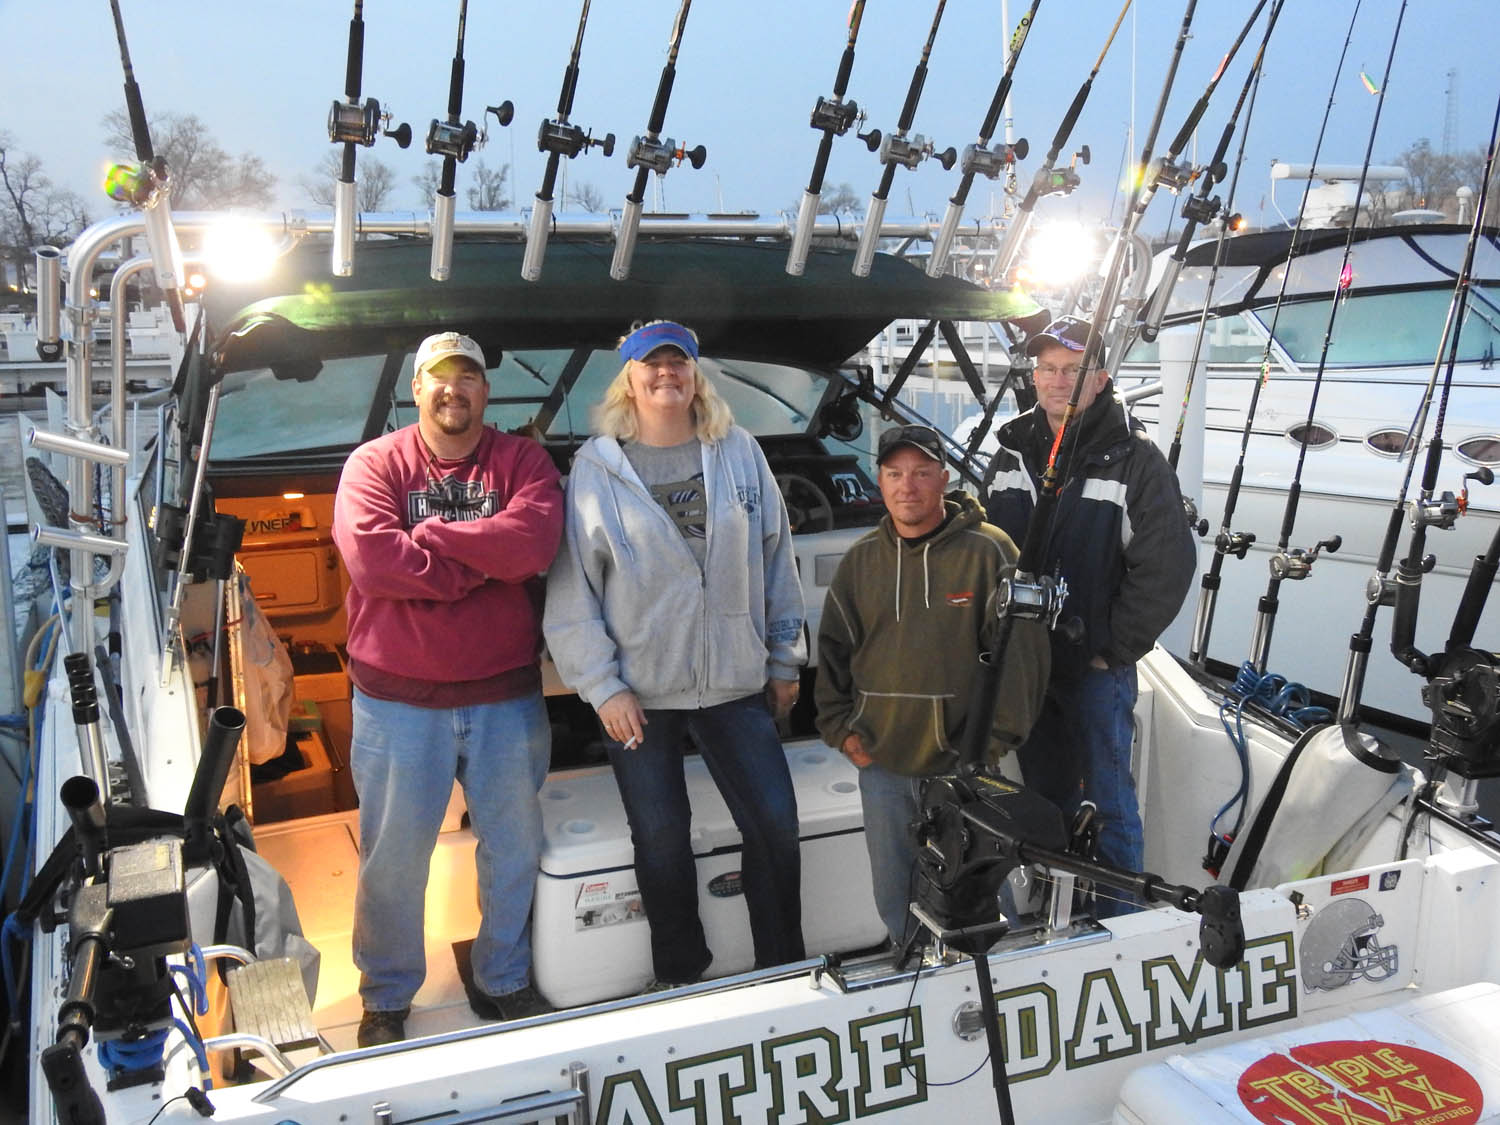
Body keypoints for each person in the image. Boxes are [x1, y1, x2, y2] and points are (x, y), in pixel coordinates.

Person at [543, 320, 807, 987]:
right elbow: (574, 592)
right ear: (628, 380)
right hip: (639, 694)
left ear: (695, 375)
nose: (666, 373)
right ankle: (681, 974)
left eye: (678, 362)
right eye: (651, 363)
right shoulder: (596, 468)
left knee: (775, 825)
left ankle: (784, 967)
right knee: (660, 840)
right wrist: (603, 687)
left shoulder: (739, 451)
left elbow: (777, 558)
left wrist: (785, 659)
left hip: (735, 683)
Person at [332, 331, 564, 1046]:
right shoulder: (375, 463)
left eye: (467, 377)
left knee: (513, 850)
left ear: (485, 391)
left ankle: (503, 977)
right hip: (397, 704)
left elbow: (533, 543)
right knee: (394, 860)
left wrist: (431, 539)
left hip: (506, 699)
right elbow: (373, 560)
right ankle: (386, 994)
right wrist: (484, 562)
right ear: (416, 388)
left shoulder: (522, 460)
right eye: (439, 376)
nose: (452, 390)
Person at [985, 316, 1197, 912]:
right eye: (1048, 369)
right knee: (1043, 798)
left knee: (1108, 802)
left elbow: (1168, 565)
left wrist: (1112, 648)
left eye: (1074, 371)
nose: (1059, 381)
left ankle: (1118, 921)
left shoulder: (1137, 459)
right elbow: (981, 550)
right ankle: (1058, 910)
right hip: (1027, 668)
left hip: (1095, 669)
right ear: (1034, 376)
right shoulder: (1009, 453)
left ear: (1100, 379)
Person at [815, 424, 1050, 947]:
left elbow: (1024, 657)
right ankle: (911, 975)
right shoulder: (860, 561)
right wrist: (841, 732)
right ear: (879, 481)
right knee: (895, 899)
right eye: (895, 474)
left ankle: (1000, 975)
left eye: (922, 473)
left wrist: (990, 746)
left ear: (944, 479)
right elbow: (832, 654)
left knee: (982, 901)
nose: (908, 486)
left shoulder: (990, 551)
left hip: (963, 770)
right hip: (882, 767)